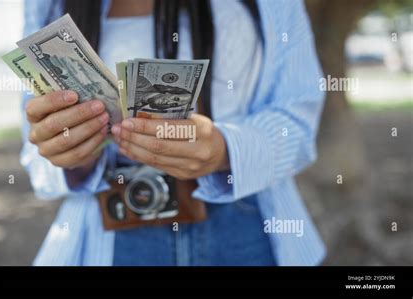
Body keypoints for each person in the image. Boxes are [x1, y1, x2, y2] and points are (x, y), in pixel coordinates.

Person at [21, 0, 326, 266]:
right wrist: (74, 154)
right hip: (111, 230)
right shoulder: (45, 3)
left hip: (248, 225)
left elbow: (298, 119)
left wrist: (224, 151)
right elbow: (35, 152)